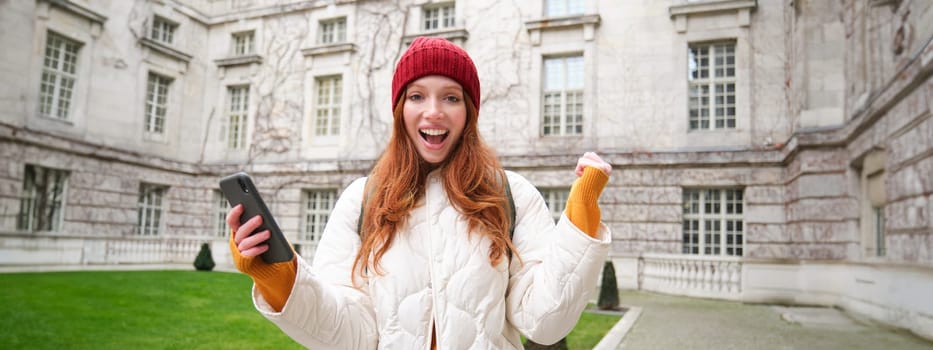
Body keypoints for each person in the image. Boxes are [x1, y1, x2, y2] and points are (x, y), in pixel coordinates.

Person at [226, 36, 613, 349]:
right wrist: (279, 279)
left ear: (468, 112)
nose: (434, 112)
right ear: (400, 110)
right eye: (416, 96)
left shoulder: (512, 194)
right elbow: (349, 336)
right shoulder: (360, 199)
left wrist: (581, 215)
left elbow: (545, 323)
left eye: (450, 97)